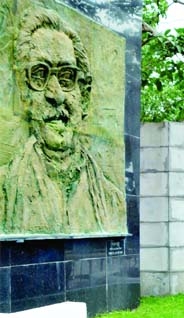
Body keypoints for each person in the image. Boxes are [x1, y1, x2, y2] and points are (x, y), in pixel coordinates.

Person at [1, 8, 125, 234]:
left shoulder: (112, 201)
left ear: (84, 97)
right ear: (23, 92)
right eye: (39, 74)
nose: (55, 94)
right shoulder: (4, 189)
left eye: (67, 77)